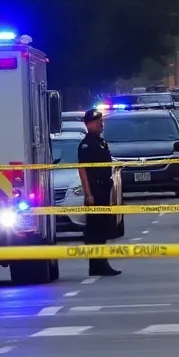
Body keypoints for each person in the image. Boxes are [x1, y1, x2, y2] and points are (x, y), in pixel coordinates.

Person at [77, 108, 122, 277]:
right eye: (97, 122)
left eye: (101, 121)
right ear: (88, 124)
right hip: (95, 190)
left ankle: (102, 263)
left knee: (103, 228)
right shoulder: (86, 145)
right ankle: (96, 265)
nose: (100, 124)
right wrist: (88, 193)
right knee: (95, 229)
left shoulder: (101, 143)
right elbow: (83, 170)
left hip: (104, 188)